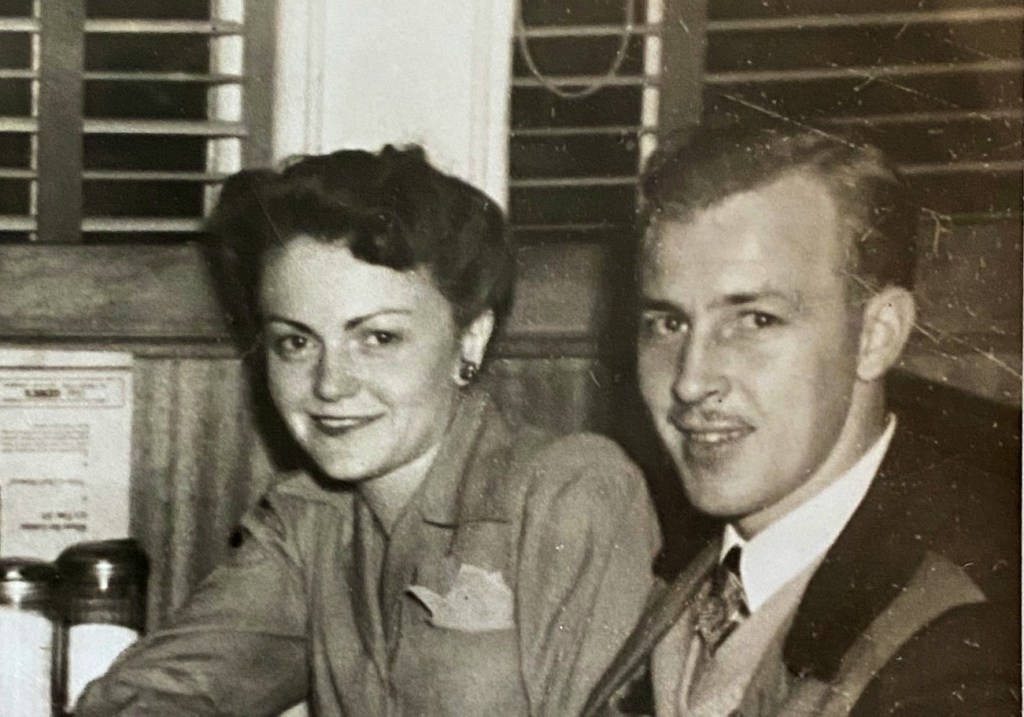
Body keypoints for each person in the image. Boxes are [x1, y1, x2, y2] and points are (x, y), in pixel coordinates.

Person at [76, 146, 660, 717]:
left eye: (378, 338)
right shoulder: (309, 522)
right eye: (296, 342)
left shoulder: (569, 491)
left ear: (470, 338)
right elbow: (147, 695)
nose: (330, 384)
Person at [583, 127, 1020, 717]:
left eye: (756, 321)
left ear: (876, 335)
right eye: (669, 323)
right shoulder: (693, 571)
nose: (690, 380)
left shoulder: (966, 642)